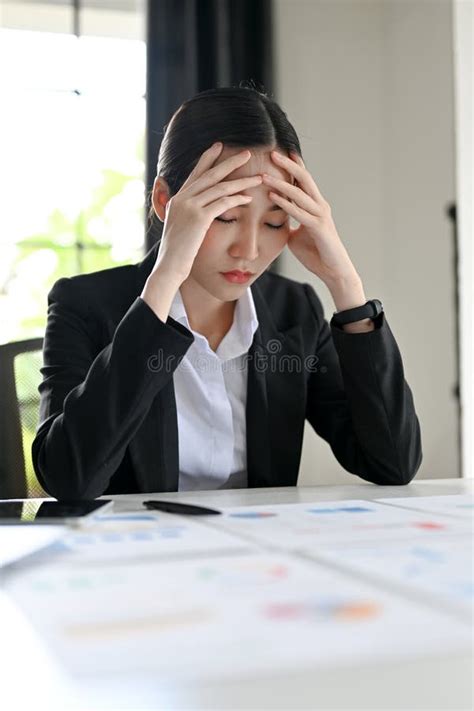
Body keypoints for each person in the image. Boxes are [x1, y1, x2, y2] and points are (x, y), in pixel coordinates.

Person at [32, 85, 422, 500]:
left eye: (274, 223)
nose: (249, 251)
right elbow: (67, 478)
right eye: (226, 217)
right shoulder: (84, 305)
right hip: (134, 557)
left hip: (257, 555)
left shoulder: (295, 310)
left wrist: (347, 287)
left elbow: (392, 463)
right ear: (166, 202)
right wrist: (163, 284)